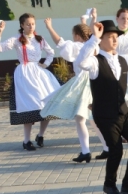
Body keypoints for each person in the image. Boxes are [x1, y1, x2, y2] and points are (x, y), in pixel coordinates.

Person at [77, 20, 128, 194]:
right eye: (110, 37)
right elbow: (80, 62)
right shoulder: (95, 62)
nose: (115, 40)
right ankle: (109, 185)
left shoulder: (122, 60)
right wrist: (93, 38)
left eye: (116, 37)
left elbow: (120, 87)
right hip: (104, 115)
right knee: (116, 150)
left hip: (123, 112)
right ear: (101, 39)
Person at [40, 13, 109, 163]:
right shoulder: (94, 46)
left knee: (81, 119)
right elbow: (89, 38)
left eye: (74, 35)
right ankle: (106, 147)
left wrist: (49, 27)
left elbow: (60, 43)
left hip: (82, 83)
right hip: (95, 81)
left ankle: (87, 151)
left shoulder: (77, 46)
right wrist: (87, 20)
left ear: (77, 36)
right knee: (93, 119)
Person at [0, 14, 60, 151]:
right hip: (25, 74)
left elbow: (51, 52)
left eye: (33, 24)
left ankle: (40, 135)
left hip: (39, 73)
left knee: (47, 104)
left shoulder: (39, 39)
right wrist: (0, 31)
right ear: (22, 25)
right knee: (29, 105)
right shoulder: (17, 40)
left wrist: (45, 64)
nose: (31, 26)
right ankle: (26, 140)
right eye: (28, 24)